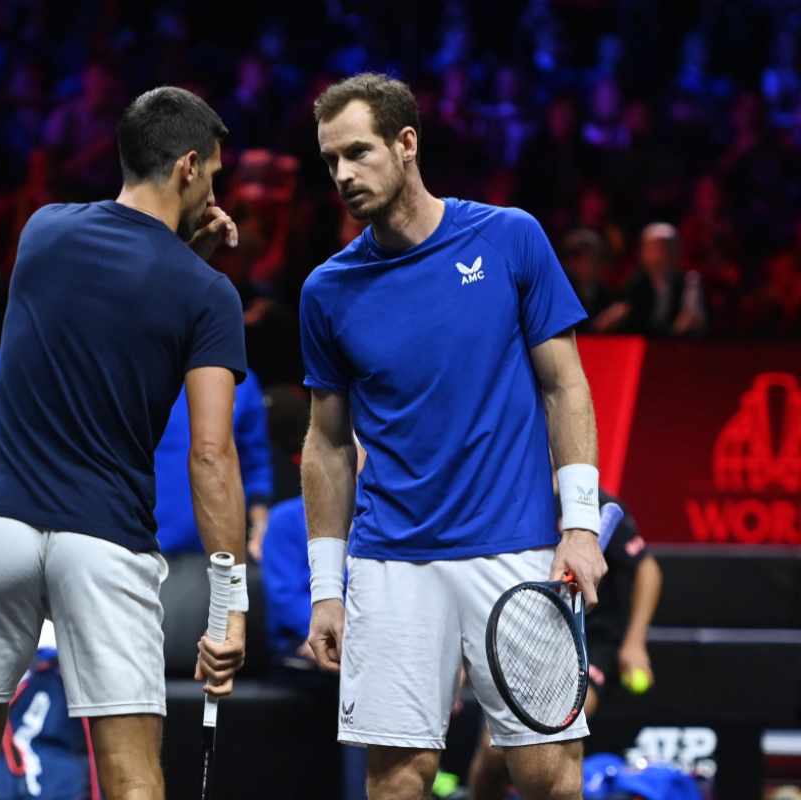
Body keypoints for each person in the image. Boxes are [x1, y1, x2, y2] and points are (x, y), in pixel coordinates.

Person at [0, 86, 249, 800]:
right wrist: (231, 606)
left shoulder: (44, 232)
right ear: (189, 166)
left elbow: (119, 284)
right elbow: (212, 456)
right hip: (101, 542)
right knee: (133, 778)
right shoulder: (208, 293)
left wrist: (182, 248)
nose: (215, 189)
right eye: (214, 175)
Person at [300, 74, 607, 800]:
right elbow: (327, 444)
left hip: (518, 546)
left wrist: (582, 527)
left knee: (548, 776)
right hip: (391, 562)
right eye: (330, 161)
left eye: (358, 153)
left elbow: (566, 386)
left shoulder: (509, 238)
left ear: (407, 144)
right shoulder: (327, 290)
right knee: (399, 781)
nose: (342, 175)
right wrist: (325, 589)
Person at [468, 490, 663, 798]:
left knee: (557, 746)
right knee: (492, 754)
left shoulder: (592, 506)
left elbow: (647, 570)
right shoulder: (505, 500)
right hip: (523, 636)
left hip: (589, 643)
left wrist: (635, 643)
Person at [155, 367, 273, 559]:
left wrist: (261, 526)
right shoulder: (141, 367)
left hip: (217, 547)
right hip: (142, 543)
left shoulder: (241, 379)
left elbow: (255, 462)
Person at [593, 223, 706, 336]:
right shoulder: (634, 285)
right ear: (643, 253)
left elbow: (692, 321)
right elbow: (609, 321)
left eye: (665, 249)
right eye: (653, 249)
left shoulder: (689, 283)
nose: (659, 256)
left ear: (677, 253)